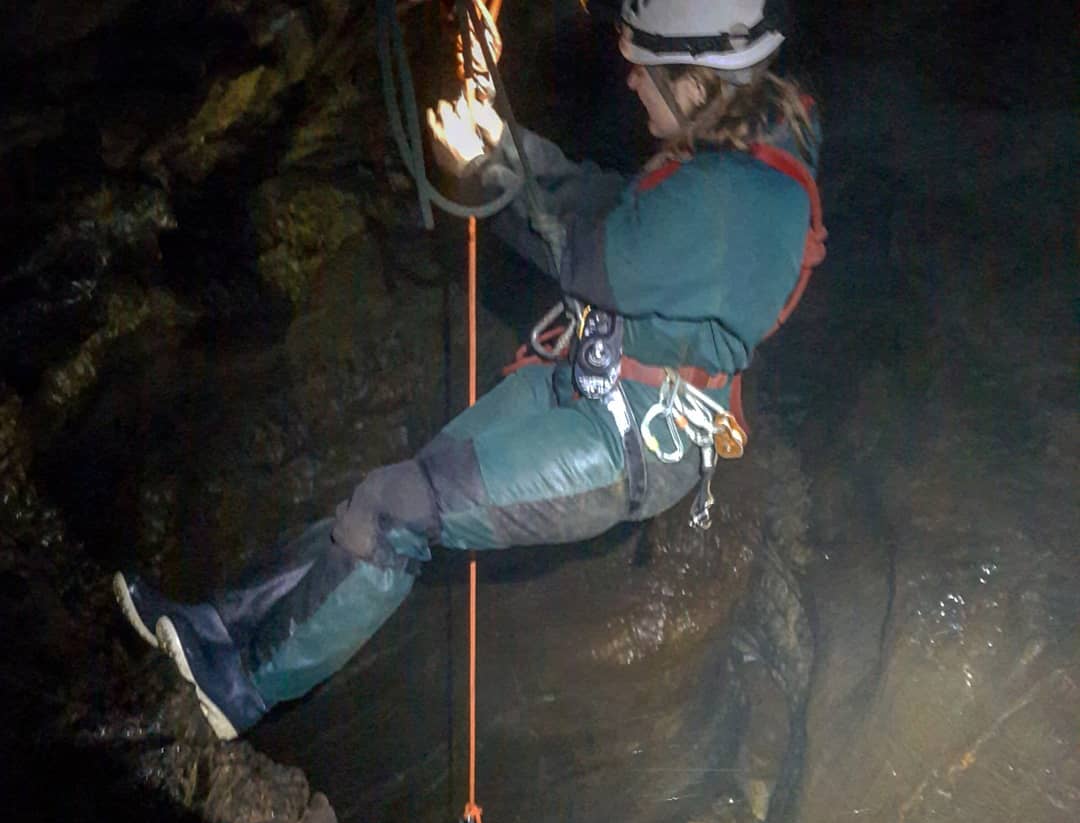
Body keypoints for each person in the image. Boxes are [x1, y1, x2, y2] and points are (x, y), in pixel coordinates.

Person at [114, 0, 823, 741]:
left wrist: (483, 173)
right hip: (594, 377)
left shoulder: (737, 200)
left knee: (399, 509)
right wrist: (506, 145)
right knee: (394, 492)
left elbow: (587, 257)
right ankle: (217, 626)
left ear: (697, 84)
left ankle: (242, 687)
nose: (630, 83)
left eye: (644, 71)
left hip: (628, 443)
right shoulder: (740, 144)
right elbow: (607, 201)